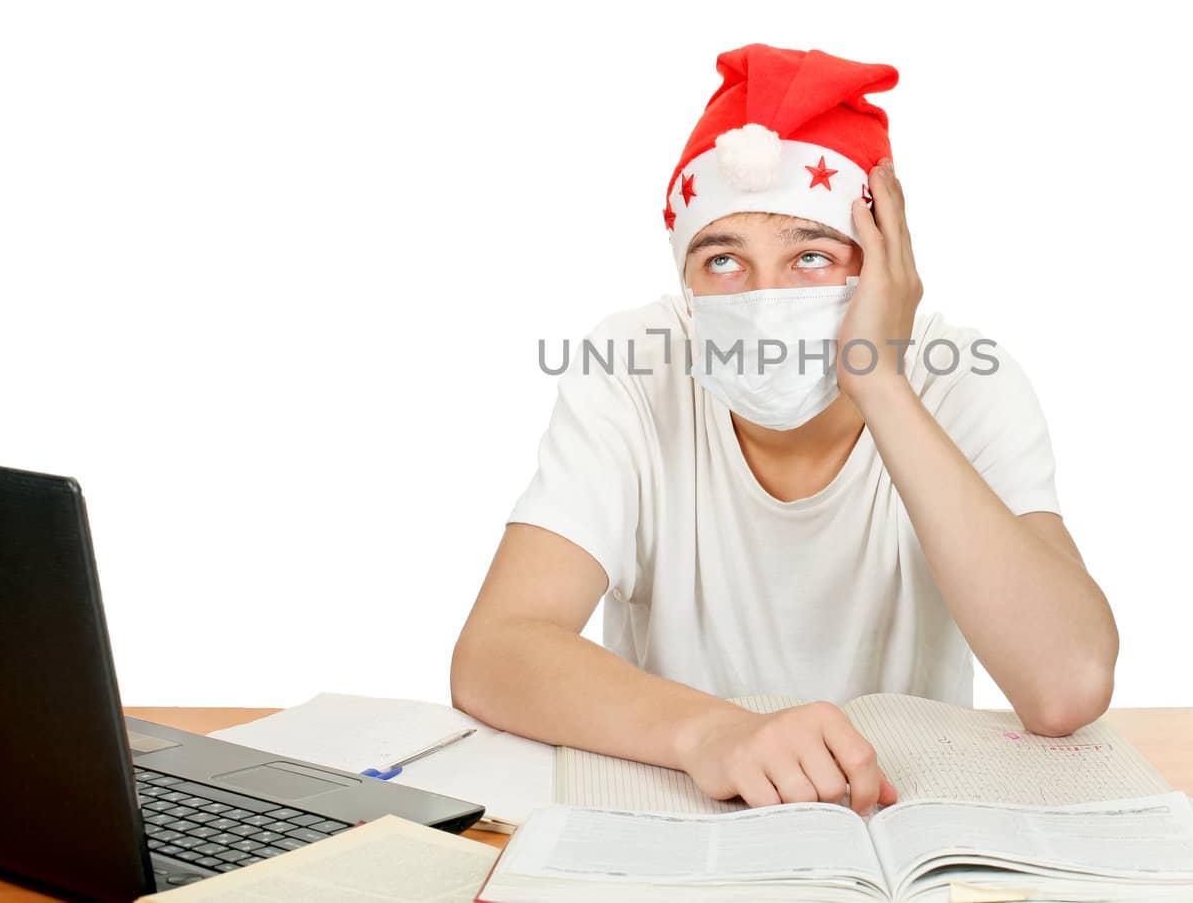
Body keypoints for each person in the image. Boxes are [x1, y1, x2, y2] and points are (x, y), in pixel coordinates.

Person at [451, 43, 1118, 818]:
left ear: (881, 265)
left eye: (810, 255)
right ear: (686, 282)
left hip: (904, 832)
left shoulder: (966, 378)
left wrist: (880, 381)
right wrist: (717, 735)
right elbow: (495, 652)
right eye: (725, 261)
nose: (765, 302)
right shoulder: (633, 369)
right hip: (686, 827)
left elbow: (1066, 683)